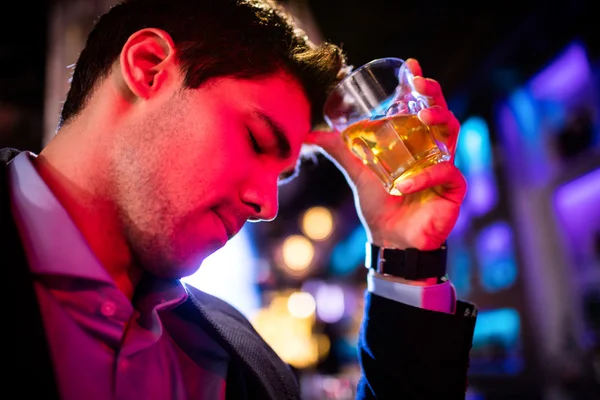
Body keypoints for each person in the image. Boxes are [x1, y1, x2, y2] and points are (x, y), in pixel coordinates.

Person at [2, 0, 476, 399]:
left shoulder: (240, 356)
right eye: (255, 139)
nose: (267, 206)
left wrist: (405, 252)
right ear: (148, 68)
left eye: (282, 176)